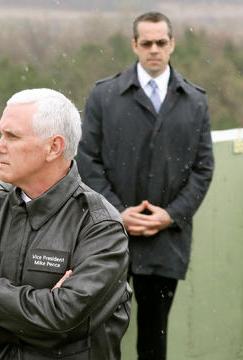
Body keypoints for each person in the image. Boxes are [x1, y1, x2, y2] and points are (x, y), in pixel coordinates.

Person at [0, 89, 132, 359]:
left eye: (12, 136)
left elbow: (64, 315)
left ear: (54, 147)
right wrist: (12, 331)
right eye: (1, 135)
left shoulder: (99, 226)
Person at [75, 12, 214, 360]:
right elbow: (87, 160)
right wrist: (118, 213)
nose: (154, 49)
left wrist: (170, 215)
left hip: (166, 239)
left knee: (154, 338)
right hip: (109, 237)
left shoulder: (194, 100)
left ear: (172, 44)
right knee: (103, 334)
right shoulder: (105, 96)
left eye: (161, 42)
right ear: (134, 45)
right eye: (147, 43)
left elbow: (203, 167)